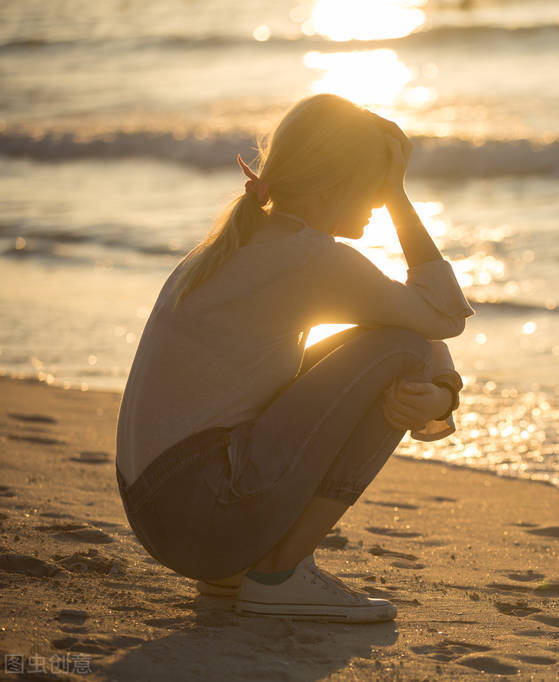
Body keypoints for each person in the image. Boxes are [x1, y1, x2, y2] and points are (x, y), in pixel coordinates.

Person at [114, 94, 474, 624]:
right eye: (375, 183)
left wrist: (443, 390)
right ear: (335, 184)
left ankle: (238, 573)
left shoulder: (235, 244)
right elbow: (442, 316)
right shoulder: (310, 258)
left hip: (165, 513)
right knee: (405, 348)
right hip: (204, 509)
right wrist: (400, 198)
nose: (377, 200)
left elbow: (415, 325)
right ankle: (278, 574)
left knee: (402, 344)